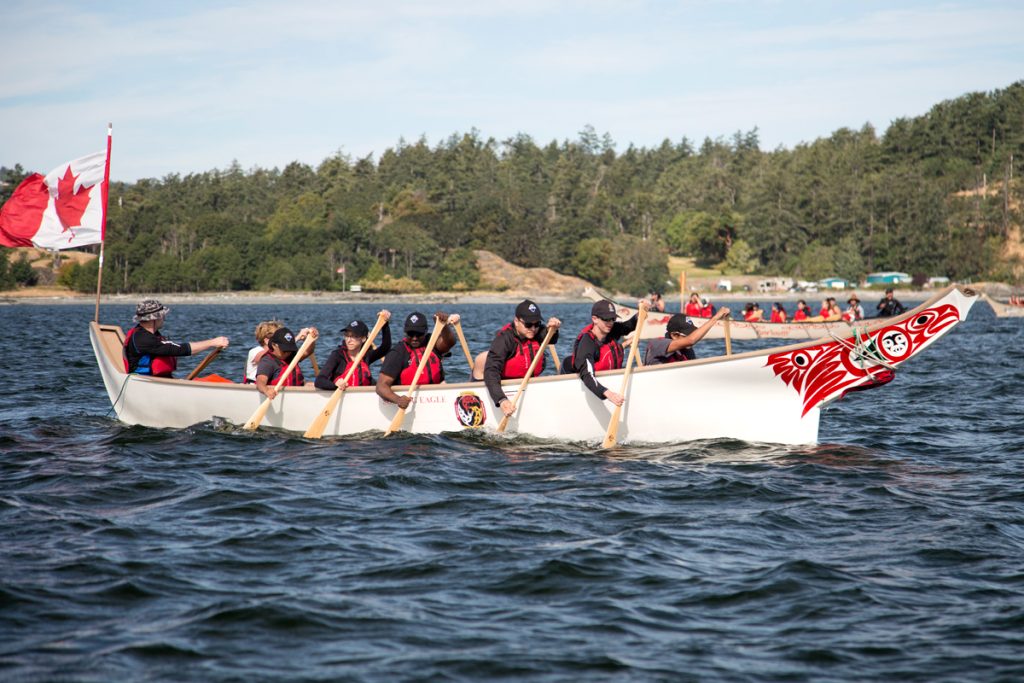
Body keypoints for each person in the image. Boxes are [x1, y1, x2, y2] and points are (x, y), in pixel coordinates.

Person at [473, 300, 561, 417]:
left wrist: (553, 329)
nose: (533, 328)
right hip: (505, 385)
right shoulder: (504, 340)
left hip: (526, 383)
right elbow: (491, 372)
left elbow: (550, 338)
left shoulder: (535, 331)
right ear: (516, 321)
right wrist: (502, 400)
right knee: (482, 359)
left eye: (537, 324)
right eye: (528, 324)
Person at [562, 299, 646, 407]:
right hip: (591, 386)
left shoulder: (610, 329)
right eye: (606, 319)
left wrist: (641, 311)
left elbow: (628, 326)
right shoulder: (587, 343)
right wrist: (608, 394)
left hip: (608, 381)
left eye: (613, 319)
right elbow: (587, 376)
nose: (610, 323)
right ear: (595, 319)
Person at [376, 311, 461, 409]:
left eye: (419, 334)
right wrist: (398, 399)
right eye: (410, 334)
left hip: (437, 397)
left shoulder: (432, 342)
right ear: (405, 332)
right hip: (410, 401)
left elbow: (450, 342)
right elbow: (381, 387)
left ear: (425, 331)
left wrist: (444, 325)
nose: (414, 338)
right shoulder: (397, 353)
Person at [123, 299, 229, 378]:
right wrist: (212, 342)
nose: (164, 318)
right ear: (155, 319)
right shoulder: (143, 339)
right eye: (162, 316)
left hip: (159, 381)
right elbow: (180, 349)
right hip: (147, 382)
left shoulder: (151, 334)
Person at [315, 311, 392, 391]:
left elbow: (385, 347)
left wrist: (385, 324)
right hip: (341, 395)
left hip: (362, 397)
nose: (349, 340)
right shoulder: (337, 355)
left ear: (363, 339)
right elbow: (319, 380)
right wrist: (335, 385)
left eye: (354, 336)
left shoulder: (366, 356)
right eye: (347, 336)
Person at [644, 307, 731, 365]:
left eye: (693, 332)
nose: (692, 336)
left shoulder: (687, 351)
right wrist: (715, 318)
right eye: (688, 334)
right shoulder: (658, 344)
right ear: (674, 335)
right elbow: (691, 340)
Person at [254, 326, 318, 400]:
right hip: (276, 397)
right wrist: (266, 390)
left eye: (289, 349)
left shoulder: (291, 356)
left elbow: (308, 352)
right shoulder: (267, 361)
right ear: (274, 345)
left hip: (295, 396)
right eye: (284, 350)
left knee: (311, 384)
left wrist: (311, 340)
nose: (287, 353)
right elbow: (260, 381)